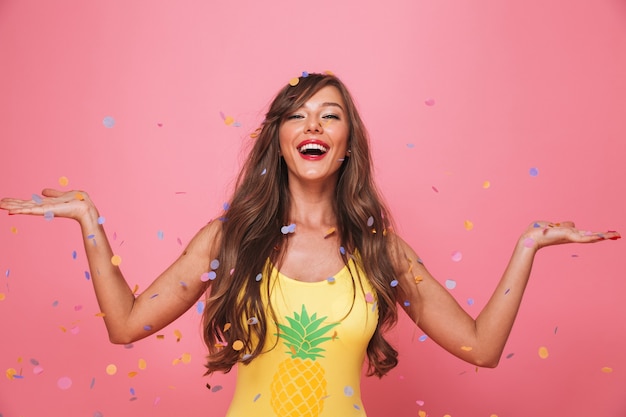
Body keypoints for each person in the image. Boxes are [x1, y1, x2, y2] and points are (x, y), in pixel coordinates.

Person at [0, 72, 620, 417]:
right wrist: (89, 220)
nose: (314, 125)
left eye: (330, 114)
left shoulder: (383, 254)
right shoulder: (230, 240)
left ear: (347, 142)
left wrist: (527, 246)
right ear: (279, 140)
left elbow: (480, 349)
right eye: (297, 115)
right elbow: (127, 325)